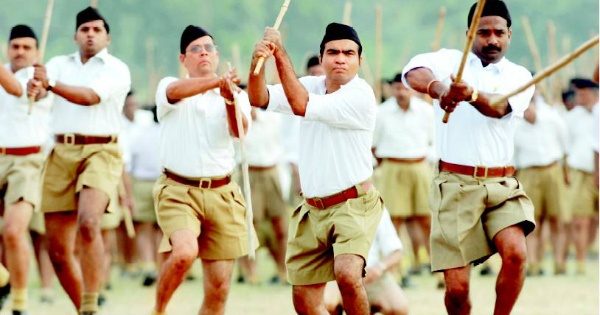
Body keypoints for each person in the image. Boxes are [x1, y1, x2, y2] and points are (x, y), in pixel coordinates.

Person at [402, 1, 536, 314]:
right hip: (455, 185)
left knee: (516, 253)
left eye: (499, 33)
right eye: (484, 32)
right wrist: (439, 88)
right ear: (469, 34)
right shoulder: (448, 59)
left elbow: (499, 108)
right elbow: (412, 72)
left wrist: (469, 95)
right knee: (457, 290)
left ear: (509, 35)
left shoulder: (519, 75)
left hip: (502, 183)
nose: (492, 40)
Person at [248, 22, 383, 315]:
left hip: (353, 204)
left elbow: (300, 104)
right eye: (333, 52)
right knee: (305, 302)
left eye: (349, 53)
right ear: (321, 58)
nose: (340, 58)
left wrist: (279, 52)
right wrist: (258, 61)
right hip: (312, 208)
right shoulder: (310, 85)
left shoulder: (360, 95)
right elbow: (258, 98)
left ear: (360, 60)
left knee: (347, 274)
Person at [28, 6, 131, 315]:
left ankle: (91, 300)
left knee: (89, 222)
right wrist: (36, 88)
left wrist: (49, 85)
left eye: (97, 30)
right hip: (61, 151)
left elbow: (88, 97)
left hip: (102, 151)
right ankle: (84, 310)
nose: (90, 34)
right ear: (75, 35)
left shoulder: (116, 69)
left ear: (107, 37)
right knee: (57, 251)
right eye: (85, 29)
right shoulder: (57, 64)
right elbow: (39, 95)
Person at [152, 25, 255, 315]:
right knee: (184, 252)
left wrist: (228, 96)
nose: (203, 53)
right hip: (178, 190)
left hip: (222, 191)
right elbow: (174, 92)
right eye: (195, 49)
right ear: (183, 59)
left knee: (219, 288)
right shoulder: (170, 85)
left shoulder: (234, 93)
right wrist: (214, 83)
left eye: (209, 48)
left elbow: (240, 132)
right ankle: (158, 310)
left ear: (217, 54)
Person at [0, 24, 53, 315]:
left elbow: (30, 90)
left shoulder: (42, 77)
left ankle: (19, 302)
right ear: (8, 49)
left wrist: (41, 88)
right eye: (15, 46)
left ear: (37, 51)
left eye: (26, 47)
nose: (20, 52)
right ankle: (4, 280)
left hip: (28, 162)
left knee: (12, 230)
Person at [372, 73, 434, 279]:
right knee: (393, 220)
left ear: (413, 90)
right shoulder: (381, 112)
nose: (401, 93)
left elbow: (434, 141)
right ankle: (394, 272)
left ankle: (436, 268)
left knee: (426, 218)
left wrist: (428, 162)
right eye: (397, 88)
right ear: (391, 89)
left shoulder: (425, 111)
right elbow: (372, 145)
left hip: (419, 167)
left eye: (405, 88)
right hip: (392, 167)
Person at [513, 95, 568, 275]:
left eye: (530, 107)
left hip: (553, 170)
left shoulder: (552, 119)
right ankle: (533, 264)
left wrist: (566, 173)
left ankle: (560, 263)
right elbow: (512, 156)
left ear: (536, 104)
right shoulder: (515, 125)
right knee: (531, 222)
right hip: (528, 173)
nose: (527, 112)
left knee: (557, 219)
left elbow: (565, 146)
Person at [324, 208, 409, 315]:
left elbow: (396, 251)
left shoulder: (377, 208)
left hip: (372, 275)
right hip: (337, 274)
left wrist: (379, 268)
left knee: (398, 307)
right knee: (327, 303)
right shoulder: (333, 206)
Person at [238, 107, 288, 284]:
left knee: (281, 227)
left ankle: (283, 270)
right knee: (250, 225)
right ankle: (249, 272)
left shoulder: (273, 118)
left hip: (272, 172)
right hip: (249, 174)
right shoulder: (237, 120)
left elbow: (282, 147)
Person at [564, 78, 599, 275]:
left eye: (583, 93)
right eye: (578, 93)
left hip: (598, 171)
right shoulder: (572, 117)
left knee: (594, 219)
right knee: (580, 220)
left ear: (594, 94)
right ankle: (580, 262)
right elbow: (566, 145)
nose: (579, 97)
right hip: (580, 172)